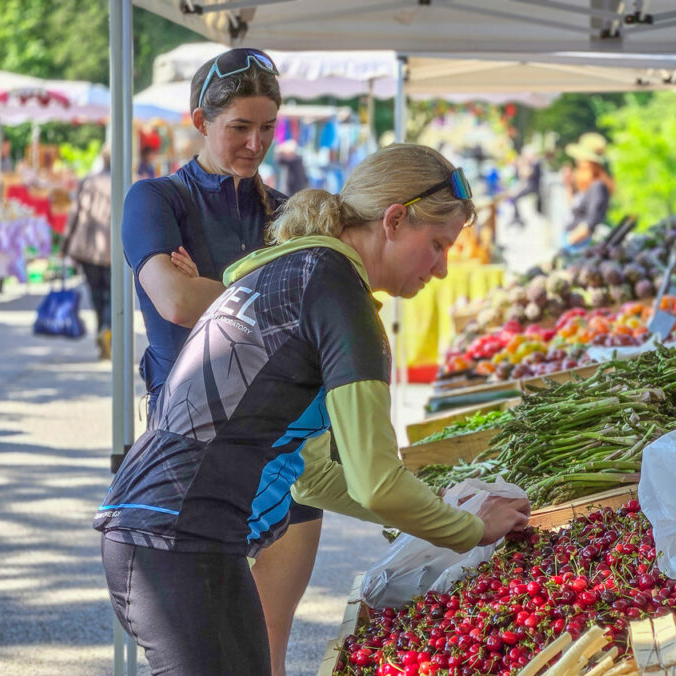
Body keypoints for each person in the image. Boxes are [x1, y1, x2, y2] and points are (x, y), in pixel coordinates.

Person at [96, 142, 532, 675]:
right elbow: (376, 482)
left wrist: (437, 505)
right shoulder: (340, 299)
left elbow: (314, 476)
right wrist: (468, 529)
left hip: (173, 535)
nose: (441, 270)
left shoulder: (302, 268)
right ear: (393, 220)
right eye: (437, 245)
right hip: (178, 540)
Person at [119, 48, 319, 676]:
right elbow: (175, 302)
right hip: (193, 454)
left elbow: (329, 314)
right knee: (201, 659)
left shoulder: (289, 214)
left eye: (268, 127)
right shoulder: (154, 199)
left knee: (267, 658)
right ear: (199, 120)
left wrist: (217, 289)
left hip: (286, 449)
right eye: (239, 127)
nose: (255, 142)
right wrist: (281, 299)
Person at [62, 150, 113, 359]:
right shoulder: (129, 181)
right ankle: (108, 328)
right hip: (115, 249)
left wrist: (65, 244)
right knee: (113, 294)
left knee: (96, 294)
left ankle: (102, 326)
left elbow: (74, 214)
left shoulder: (89, 182)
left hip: (88, 246)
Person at [562, 132, 613, 249]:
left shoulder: (598, 186)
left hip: (580, 244)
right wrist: (568, 185)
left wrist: (569, 241)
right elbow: (574, 208)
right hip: (574, 238)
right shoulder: (589, 186)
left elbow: (591, 221)